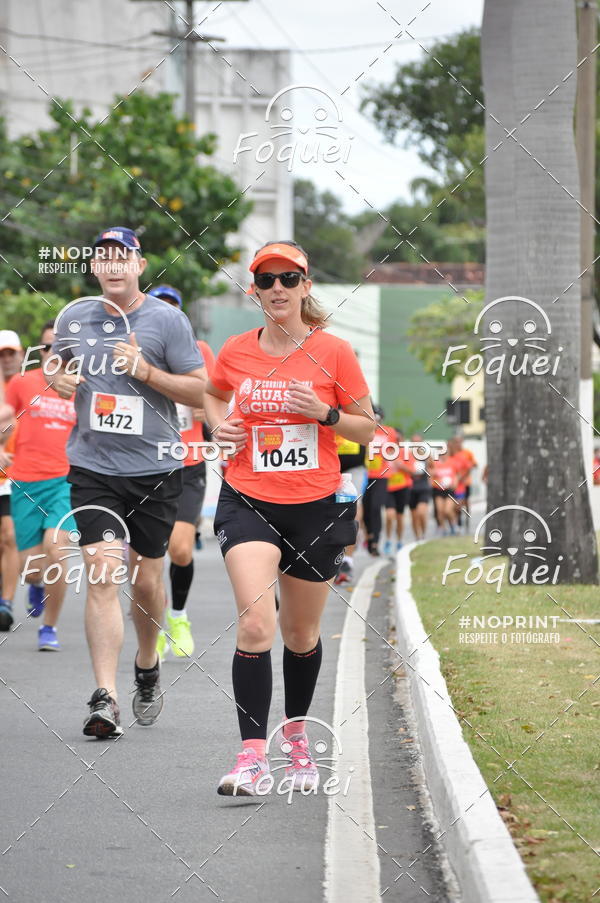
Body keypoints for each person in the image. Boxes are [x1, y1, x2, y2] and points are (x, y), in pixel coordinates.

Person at [203, 240, 374, 795]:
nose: (277, 288)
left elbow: (365, 427)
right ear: (254, 289)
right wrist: (218, 429)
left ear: (305, 286)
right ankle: (251, 757)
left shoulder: (336, 352)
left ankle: (296, 735)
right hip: (248, 497)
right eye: (266, 279)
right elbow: (213, 395)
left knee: (301, 634)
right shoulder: (235, 350)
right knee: (256, 624)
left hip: (316, 506)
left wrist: (323, 413)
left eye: (288, 278)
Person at [47, 227, 206, 738]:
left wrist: (146, 371)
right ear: (95, 268)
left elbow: (200, 391)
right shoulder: (75, 315)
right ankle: (105, 697)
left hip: (156, 469)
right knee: (100, 574)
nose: (113, 265)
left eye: (124, 257)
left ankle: (146, 663)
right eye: (104, 258)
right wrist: (57, 376)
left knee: (145, 581)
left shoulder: (167, 320)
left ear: (140, 264)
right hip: (93, 468)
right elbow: (55, 362)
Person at [148, 285, 216, 659]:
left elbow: (218, 398)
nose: (167, 314)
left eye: (173, 308)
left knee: (181, 549)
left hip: (189, 462)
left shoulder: (199, 351)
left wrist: (209, 415)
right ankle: (153, 625)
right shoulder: (137, 351)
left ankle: (179, 616)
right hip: (147, 464)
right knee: (149, 556)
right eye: (159, 307)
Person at [3, 321, 76, 650]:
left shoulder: (80, 386)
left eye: (62, 349)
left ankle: (49, 627)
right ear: (40, 351)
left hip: (66, 481)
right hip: (25, 483)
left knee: (57, 550)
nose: (55, 354)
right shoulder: (22, 383)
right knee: (31, 570)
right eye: (48, 348)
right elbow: (4, 417)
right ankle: (36, 586)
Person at [0, 331, 23, 630]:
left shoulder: (29, 386)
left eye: (10, 353)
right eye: (0, 354)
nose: (5, 359)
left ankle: (5, 603)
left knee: (9, 535)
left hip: (19, 476)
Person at [363, 405, 396, 556]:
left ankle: (375, 541)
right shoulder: (363, 430)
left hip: (381, 476)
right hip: (364, 474)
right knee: (365, 509)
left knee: (376, 507)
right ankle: (368, 537)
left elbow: (393, 452)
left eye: (378, 417)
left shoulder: (389, 432)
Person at [333, 430, 366, 585]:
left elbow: (369, 428)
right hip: (328, 463)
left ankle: (348, 561)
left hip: (354, 466)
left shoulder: (358, 406)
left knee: (352, 508)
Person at [384, 430, 411, 554]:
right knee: (390, 516)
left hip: (402, 487)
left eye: (399, 439)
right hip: (388, 488)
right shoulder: (384, 452)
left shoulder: (406, 453)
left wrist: (401, 466)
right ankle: (388, 540)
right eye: (395, 439)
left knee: (400, 517)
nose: (397, 441)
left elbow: (412, 472)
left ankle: (399, 541)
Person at [407, 433, 432, 541]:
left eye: (418, 442)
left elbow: (433, 469)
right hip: (411, 489)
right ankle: (417, 538)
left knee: (421, 513)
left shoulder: (427, 456)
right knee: (414, 516)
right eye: (414, 442)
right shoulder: (407, 456)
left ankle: (423, 535)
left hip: (423, 488)